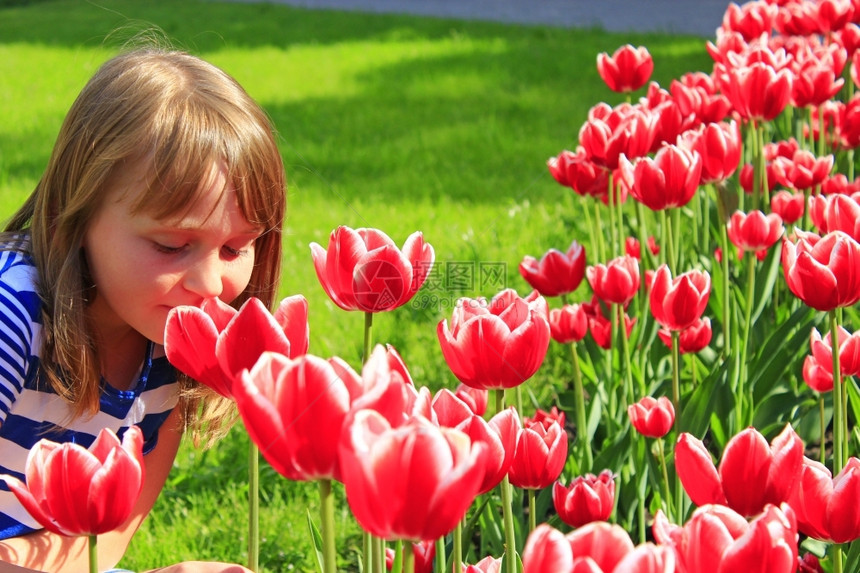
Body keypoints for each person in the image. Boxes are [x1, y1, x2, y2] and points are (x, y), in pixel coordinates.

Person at [0, 47, 286, 572]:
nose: (210, 285)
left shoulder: (173, 349)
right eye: (173, 246)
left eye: (235, 248)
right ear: (74, 219)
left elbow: (103, 544)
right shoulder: (11, 313)